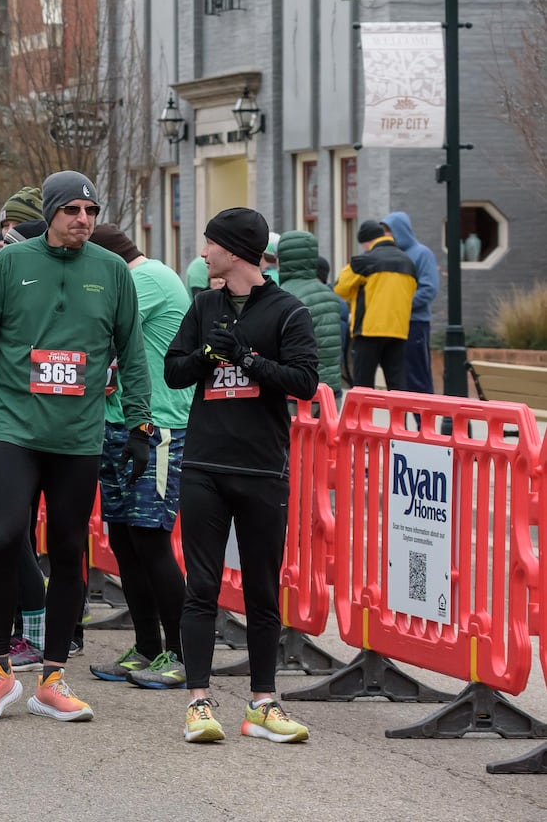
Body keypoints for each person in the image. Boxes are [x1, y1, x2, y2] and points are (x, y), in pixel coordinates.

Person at [0, 173, 151, 724]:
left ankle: (53, 677)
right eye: (71, 210)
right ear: (50, 212)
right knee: (3, 536)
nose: (83, 219)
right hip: (16, 430)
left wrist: (139, 424)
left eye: (91, 210)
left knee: (68, 550)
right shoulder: (10, 266)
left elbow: (132, 351)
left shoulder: (111, 272)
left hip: (79, 436)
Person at [166, 207, 319, 744]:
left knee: (260, 589)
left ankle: (263, 704)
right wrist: (209, 353)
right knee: (202, 586)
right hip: (204, 464)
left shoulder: (287, 311)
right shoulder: (204, 304)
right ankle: (198, 702)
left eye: (209, 245)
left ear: (234, 251)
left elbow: (304, 382)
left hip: (260, 468)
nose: (203, 254)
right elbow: (174, 369)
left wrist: (249, 359)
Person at [86, 224, 193, 690]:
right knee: (126, 540)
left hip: (159, 425)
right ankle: (148, 646)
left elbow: (97, 331)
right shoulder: (130, 276)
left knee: (150, 537)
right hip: (120, 422)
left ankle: (183, 652)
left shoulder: (144, 279)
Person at [334, 220, 416, 391]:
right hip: (398, 331)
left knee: (363, 387)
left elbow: (341, 288)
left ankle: (361, 419)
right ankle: (400, 419)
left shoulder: (365, 260)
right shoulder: (408, 262)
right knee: (397, 387)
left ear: (366, 241)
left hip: (369, 331)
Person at [276, 230, 347, 394]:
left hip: (298, 389)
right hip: (330, 389)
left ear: (283, 259)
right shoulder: (330, 295)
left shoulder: (282, 295)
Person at [380, 212, 439, 394]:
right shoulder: (390, 255)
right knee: (398, 380)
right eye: (384, 231)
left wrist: (398, 304)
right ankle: (403, 423)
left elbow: (429, 289)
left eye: (389, 230)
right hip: (392, 326)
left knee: (417, 376)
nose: (386, 235)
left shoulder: (422, 254)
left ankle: (423, 421)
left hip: (415, 324)